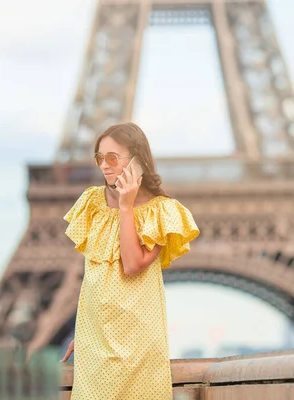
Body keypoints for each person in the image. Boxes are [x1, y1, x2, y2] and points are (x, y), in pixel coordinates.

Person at [59, 122, 200, 399]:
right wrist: (86, 332)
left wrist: (125, 207)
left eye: (112, 158)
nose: (104, 165)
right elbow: (96, 281)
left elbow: (132, 265)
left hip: (139, 342)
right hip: (95, 340)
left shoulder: (161, 211)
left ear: (137, 158)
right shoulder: (92, 203)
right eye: (99, 158)